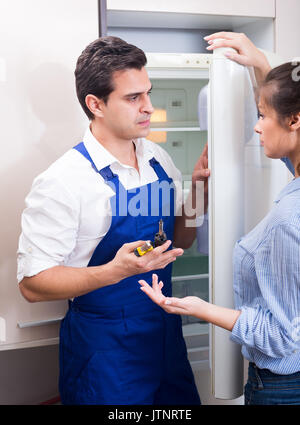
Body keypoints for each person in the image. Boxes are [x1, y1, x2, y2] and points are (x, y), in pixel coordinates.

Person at [17, 36, 210, 405]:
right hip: (105, 352)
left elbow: (178, 239)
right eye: (133, 98)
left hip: (164, 333)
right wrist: (116, 271)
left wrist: (200, 192)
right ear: (96, 104)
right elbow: (32, 284)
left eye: (148, 94)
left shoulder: (157, 158)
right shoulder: (63, 181)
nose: (149, 108)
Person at [139, 33, 300, 405]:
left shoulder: (288, 220)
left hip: (282, 384)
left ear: (293, 120)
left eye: (262, 116)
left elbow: (281, 337)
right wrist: (263, 65)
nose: (256, 127)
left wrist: (201, 308)